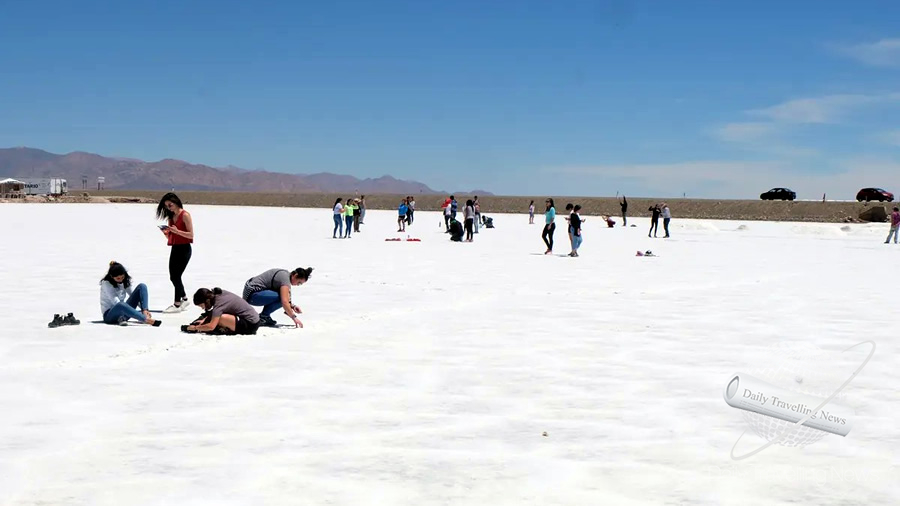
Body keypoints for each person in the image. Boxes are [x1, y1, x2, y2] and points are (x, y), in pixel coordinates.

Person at [157, 192, 194, 312]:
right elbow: (172, 235)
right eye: (167, 206)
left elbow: (191, 234)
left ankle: (177, 304)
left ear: (176, 202)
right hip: (175, 247)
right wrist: (168, 233)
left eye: (170, 205)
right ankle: (184, 299)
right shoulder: (171, 217)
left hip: (184, 248)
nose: (169, 208)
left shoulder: (185, 215)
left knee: (176, 276)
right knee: (173, 276)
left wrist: (177, 232)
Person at [242, 267, 313, 328]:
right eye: (299, 283)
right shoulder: (284, 279)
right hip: (252, 295)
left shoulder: (285, 276)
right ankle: (264, 317)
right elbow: (284, 301)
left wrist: (292, 306)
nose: (298, 285)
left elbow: (287, 297)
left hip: (252, 293)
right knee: (281, 298)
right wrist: (294, 318)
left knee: (283, 296)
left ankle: (264, 317)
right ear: (295, 275)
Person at [99, 261, 161, 326]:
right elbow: (115, 302)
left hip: (123, 311)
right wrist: (136, 314)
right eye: (118, 278)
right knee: (120, 304)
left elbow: (132, 294)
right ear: (111, 276)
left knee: (142, 286)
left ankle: (145, 312)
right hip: (110, 315)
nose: (121, 280)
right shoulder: (106, 283)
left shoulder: (125, 280)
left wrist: (143, 309)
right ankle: (146, 319)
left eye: (122, 277)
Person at [184, 288, 260, 335]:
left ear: (206, 301)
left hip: (250, 325)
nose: (202, 308)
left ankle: (225, 329)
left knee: (220, 319)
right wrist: (204, 320)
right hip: (254, 319)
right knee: (215, 316)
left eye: (201, 305)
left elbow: (211, 327)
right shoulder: (219, 293)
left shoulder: (218, 305)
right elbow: (216, 311)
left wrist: (195, 328)